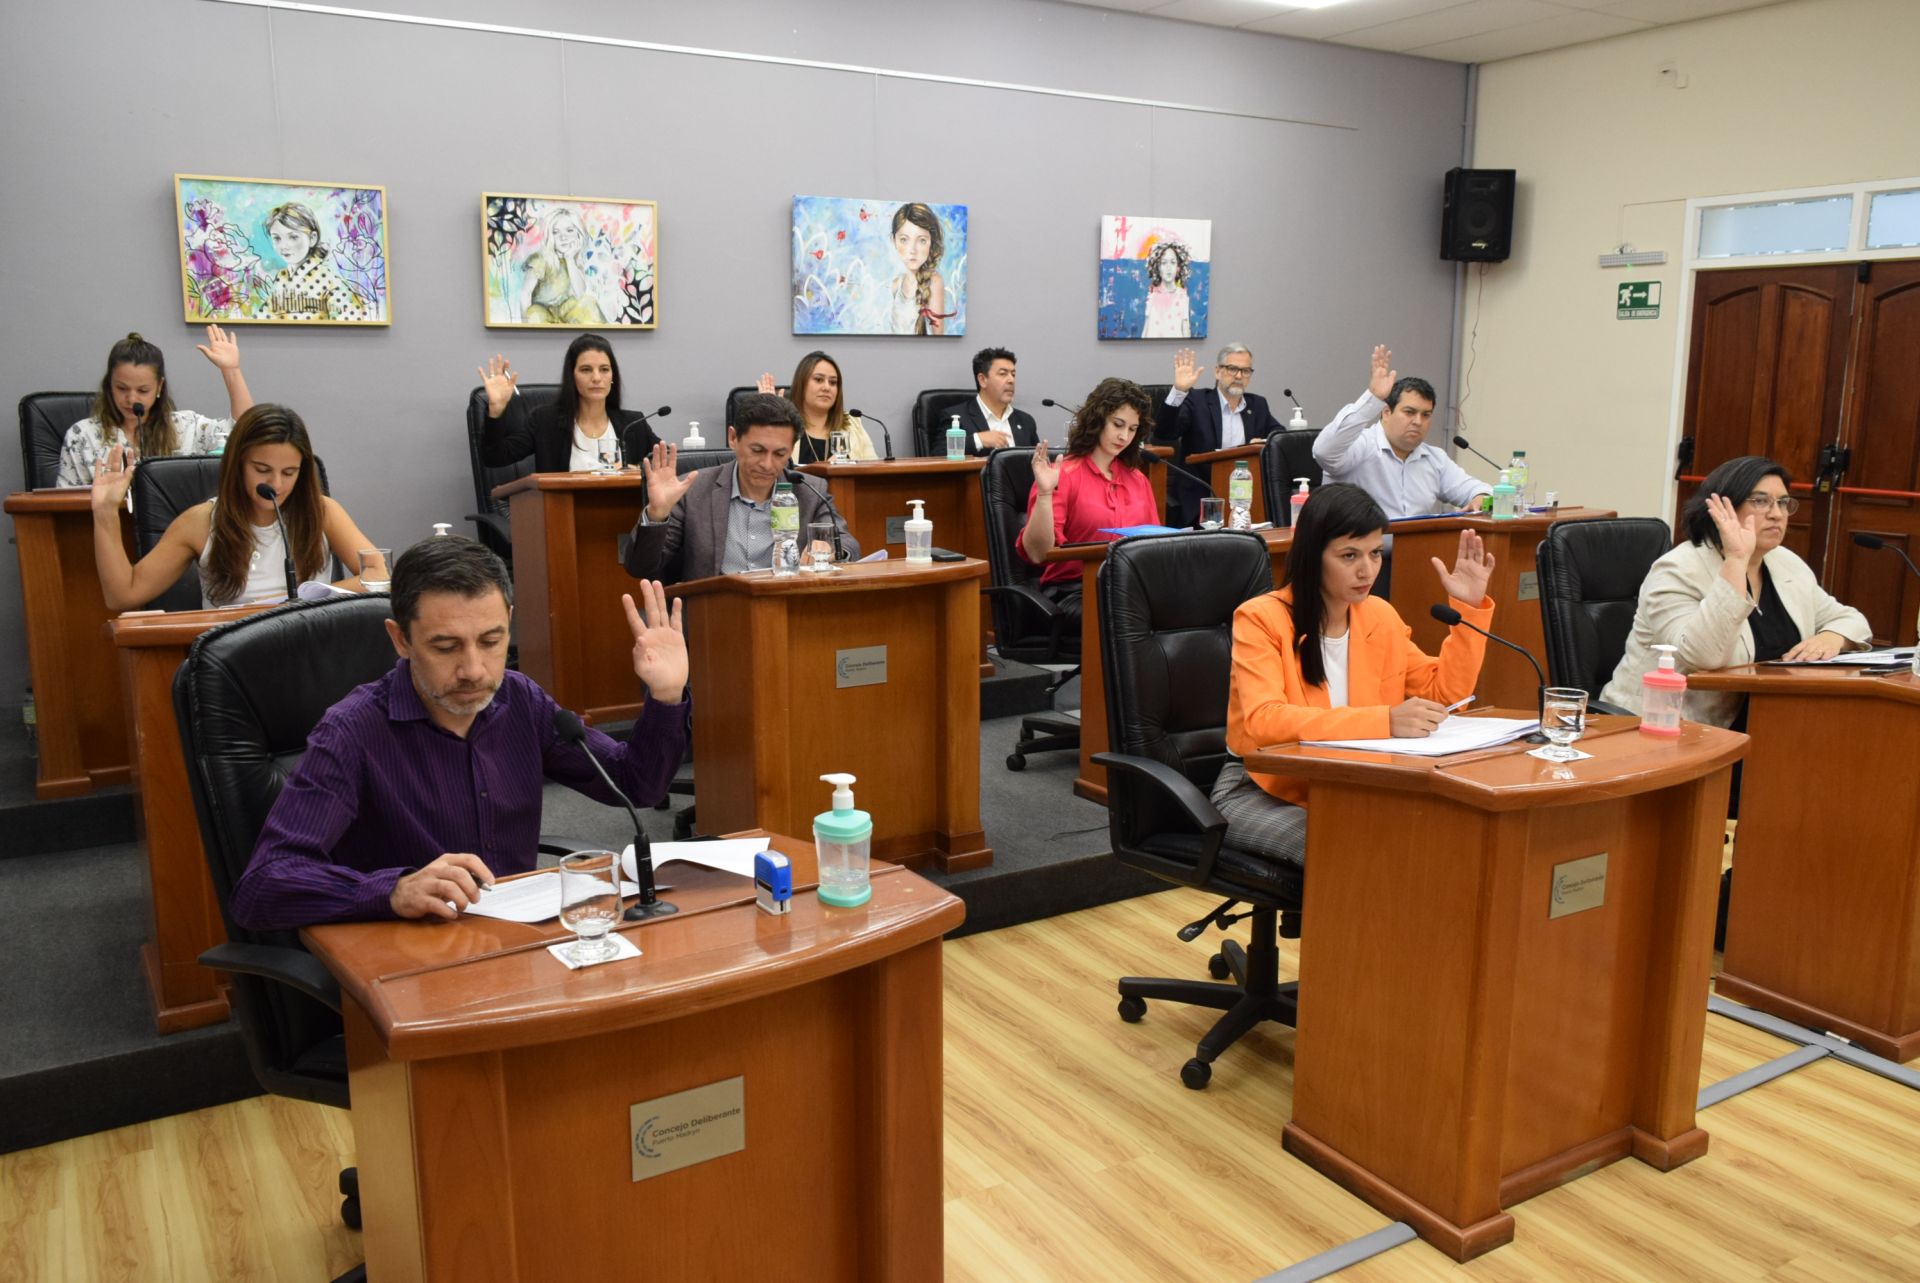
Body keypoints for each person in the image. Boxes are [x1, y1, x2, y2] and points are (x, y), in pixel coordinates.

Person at [229, 536, 691, 929]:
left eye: (491, 642)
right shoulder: (352, 732)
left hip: (516, 940)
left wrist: (667, 697)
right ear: (400, 639)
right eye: (445, 647)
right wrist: (391, 889)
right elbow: (264, 884)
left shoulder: (520, 700)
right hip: (412, 953)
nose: (473, 670)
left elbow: (636, 785)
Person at [1212, 483, 1494, 864]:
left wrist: (1469, 607)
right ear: (1314, 555)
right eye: (1349, 555)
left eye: (1375, 553)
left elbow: (1443, 694)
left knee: (1438, 838)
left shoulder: (1378, 615)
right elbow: (1265, 721)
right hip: (1261, 786)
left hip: (1354, 786)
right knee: (1348, 851)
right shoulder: (1262, 617)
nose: (1367, 570)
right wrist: (1385, 721)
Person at [1601, 455, 1870, 727]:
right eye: (1761, 501)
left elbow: (1853, 620)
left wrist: (1832, 637)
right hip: (1664, 725)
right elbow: (1704, 656)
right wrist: (1737, 560)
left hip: (1767, 722)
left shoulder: (1785, 563)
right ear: (1723, 507)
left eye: (1783, 503)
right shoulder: (1677, 570)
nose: (1777, 513)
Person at [90, 403, 380, 611]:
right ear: (237, 465)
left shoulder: (322, 511)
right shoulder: (200, 522)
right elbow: (123, 596)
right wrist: (104, 514)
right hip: (232, 660)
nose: (276, 484)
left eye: (289, 473)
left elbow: (379, 575)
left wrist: (305, 598)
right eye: (262, 469)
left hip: (309, 647)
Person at [623, 392, 859, 584]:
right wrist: (656, 515)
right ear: (733, 438)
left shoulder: (809, 490)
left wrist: (828, 547)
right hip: (711, 619)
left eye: (779, 454)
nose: (767, 464)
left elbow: (849, 545)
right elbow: (640, 568)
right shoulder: (694, 491)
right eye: (757, 450)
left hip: (787, 615)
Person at [1016, 377, 1159, 629]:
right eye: (1118, 424)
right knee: (1129, 614)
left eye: (1133, 429)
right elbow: (1037, 553)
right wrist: (1045, 494)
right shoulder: (1064, 475)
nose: (1124, 436)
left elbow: (1154, 547)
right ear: (1097, 419)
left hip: (1129, 586)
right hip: (1073, 591)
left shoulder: (1137, 480)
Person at [55, 329, 255, 487]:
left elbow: (246, 430)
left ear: (159, 387)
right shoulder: (82, 435)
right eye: (122, 388)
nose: (131, 399)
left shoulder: (184, 426)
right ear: (109, 385)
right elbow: (62, 505)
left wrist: (231, 370)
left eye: (143, 390)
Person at [1312, 344, 1490, 520]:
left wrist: (1480, 497)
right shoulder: (1361, 446)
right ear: (1386, 412)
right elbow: (1323, 452)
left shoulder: (1434, 459)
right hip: (1360, 547)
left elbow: (1478, 489)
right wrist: (1373, 398)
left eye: (1426, 415)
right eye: (1409, 412)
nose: (1418, 422)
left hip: (1418, 547)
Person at [476, 334, 659, 473]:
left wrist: (641, 471)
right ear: (572, 376)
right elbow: (494, 457)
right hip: (562, 518)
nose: (596, 378)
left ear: (613, 377)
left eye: (604, 369)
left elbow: (669, 461)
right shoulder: (545, 422)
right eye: (586, 370)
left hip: (626, 517)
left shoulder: (633, 424)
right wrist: (496, 411)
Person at [1155, 343, 1286, 528]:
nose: (1239, 376)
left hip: (1247, 500)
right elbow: (1164, 433)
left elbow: (1280, 436)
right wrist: (1179, 391)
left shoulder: (1257, 405)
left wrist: (1265, 441)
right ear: (1217, 372)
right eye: (1232, 369)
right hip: (1201, 498)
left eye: (1246, 371)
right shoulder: (1198, 400)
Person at [758, 351, 878, 464]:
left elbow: (874, 470)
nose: (826, 387)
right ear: (802, 383)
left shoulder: (852, 424)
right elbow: (768, 468)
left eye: (833, 382)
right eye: (818, 380)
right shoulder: (783, 423)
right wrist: (768, 418)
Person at [264, 202, 372, 322]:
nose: (284, 246)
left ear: (312, 238)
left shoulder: (329, 279)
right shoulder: (281, 277)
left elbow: (353, 318)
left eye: (293, 237)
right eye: (277, 238)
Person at [519, 206, 606, 326]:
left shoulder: (573, 261)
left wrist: (569, 259)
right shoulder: (540, 259)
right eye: (556, 232)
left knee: (589, 302)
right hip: (543, 312)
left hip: (564, 311)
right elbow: (525, 293)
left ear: (578, 234)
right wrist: (524, 323)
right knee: (534, 314)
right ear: (550, 236)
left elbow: (580, 294)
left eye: (569, 230)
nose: (563, 237)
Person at [953, 347, 1039, 456]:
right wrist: (978, 440)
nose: (1011, 380)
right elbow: (937, 455)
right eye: (1003, 374)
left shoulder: (1025, 421)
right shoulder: (957, 418)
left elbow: (1037, 462)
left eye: (1013, 374)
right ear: (982, 380)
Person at [888, 202, 949, 336]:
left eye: (921, 240)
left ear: (931, 242)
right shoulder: (896, 284)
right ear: (894, 240)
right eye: (904, 240)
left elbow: (939, 338)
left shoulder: (934, 282)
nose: (912, 250)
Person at [1140, 240, 1192, 340]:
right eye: (1164, 263)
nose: (1168, 267)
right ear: (1157, 267)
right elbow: (1146, 328)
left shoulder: (1182, 297)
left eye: (1172, 262)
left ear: (1178, 268)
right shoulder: (1152, 296)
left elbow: (1186, 330)